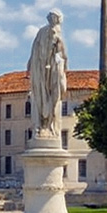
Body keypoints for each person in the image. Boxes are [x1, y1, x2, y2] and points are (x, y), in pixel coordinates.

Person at [27, 10, 69, 139]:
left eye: (54, 17)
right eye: (50, 16)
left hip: (52, 69)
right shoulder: (42, 32)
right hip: (40, 67)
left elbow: (62, 53)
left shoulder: (57, 33)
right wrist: (31, 62)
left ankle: (50, 126)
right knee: (41, 95)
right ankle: (42, 125)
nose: (52, 19)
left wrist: (60, 64)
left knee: (54, 96)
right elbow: (35, 48)